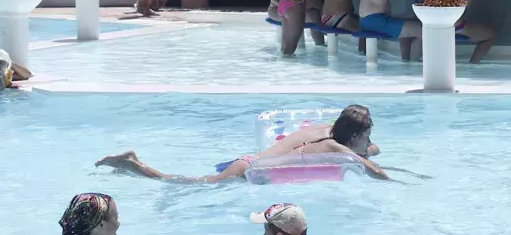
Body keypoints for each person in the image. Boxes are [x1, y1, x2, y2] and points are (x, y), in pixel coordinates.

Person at [94, 105, 392, 183]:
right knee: (185, 183)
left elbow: (367, 148)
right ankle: (134, 164)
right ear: (353, 137)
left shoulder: (325, 130)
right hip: (249, 169)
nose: (369, 142)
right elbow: (372, 169)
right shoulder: (335, 149)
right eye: (365, 136)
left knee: (196, 181)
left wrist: (369, 147)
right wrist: (407, 181)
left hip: (249, 160)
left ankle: (129, 167)